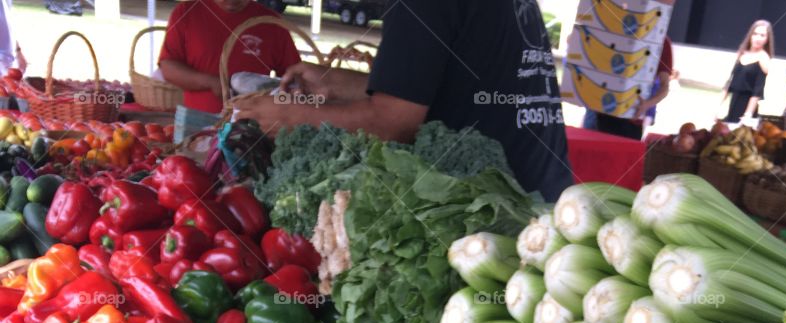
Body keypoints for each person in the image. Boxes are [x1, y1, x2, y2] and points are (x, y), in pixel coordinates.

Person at [238, 0, 571, 201]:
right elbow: (426, 89)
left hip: (500, 215)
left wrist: (293, 118)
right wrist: (335, 84)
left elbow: (392, 123)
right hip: (540, 192)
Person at [159, 0, 300, 116]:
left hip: (251, 130)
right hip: (195, 127)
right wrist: (211, 82)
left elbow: (295, 77)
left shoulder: (272, 23)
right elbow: (168, 66)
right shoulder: (186, 12)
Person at [582, 36, 674, 141]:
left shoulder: (661, 41)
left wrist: (647, 104)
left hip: (632, 118)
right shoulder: (614, 31)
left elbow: (665, 87)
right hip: (598, 111)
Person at [722, 19, 773, 123]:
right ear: (750, 35)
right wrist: (717, 107)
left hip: (747, 109)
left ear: (767, 39)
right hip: (733, 104)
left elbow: (757, 91)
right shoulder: (742, 53)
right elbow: (730, 82)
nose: (758, 38)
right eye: (755, 34)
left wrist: (748, 114)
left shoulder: (763, 58)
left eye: (762, 35)